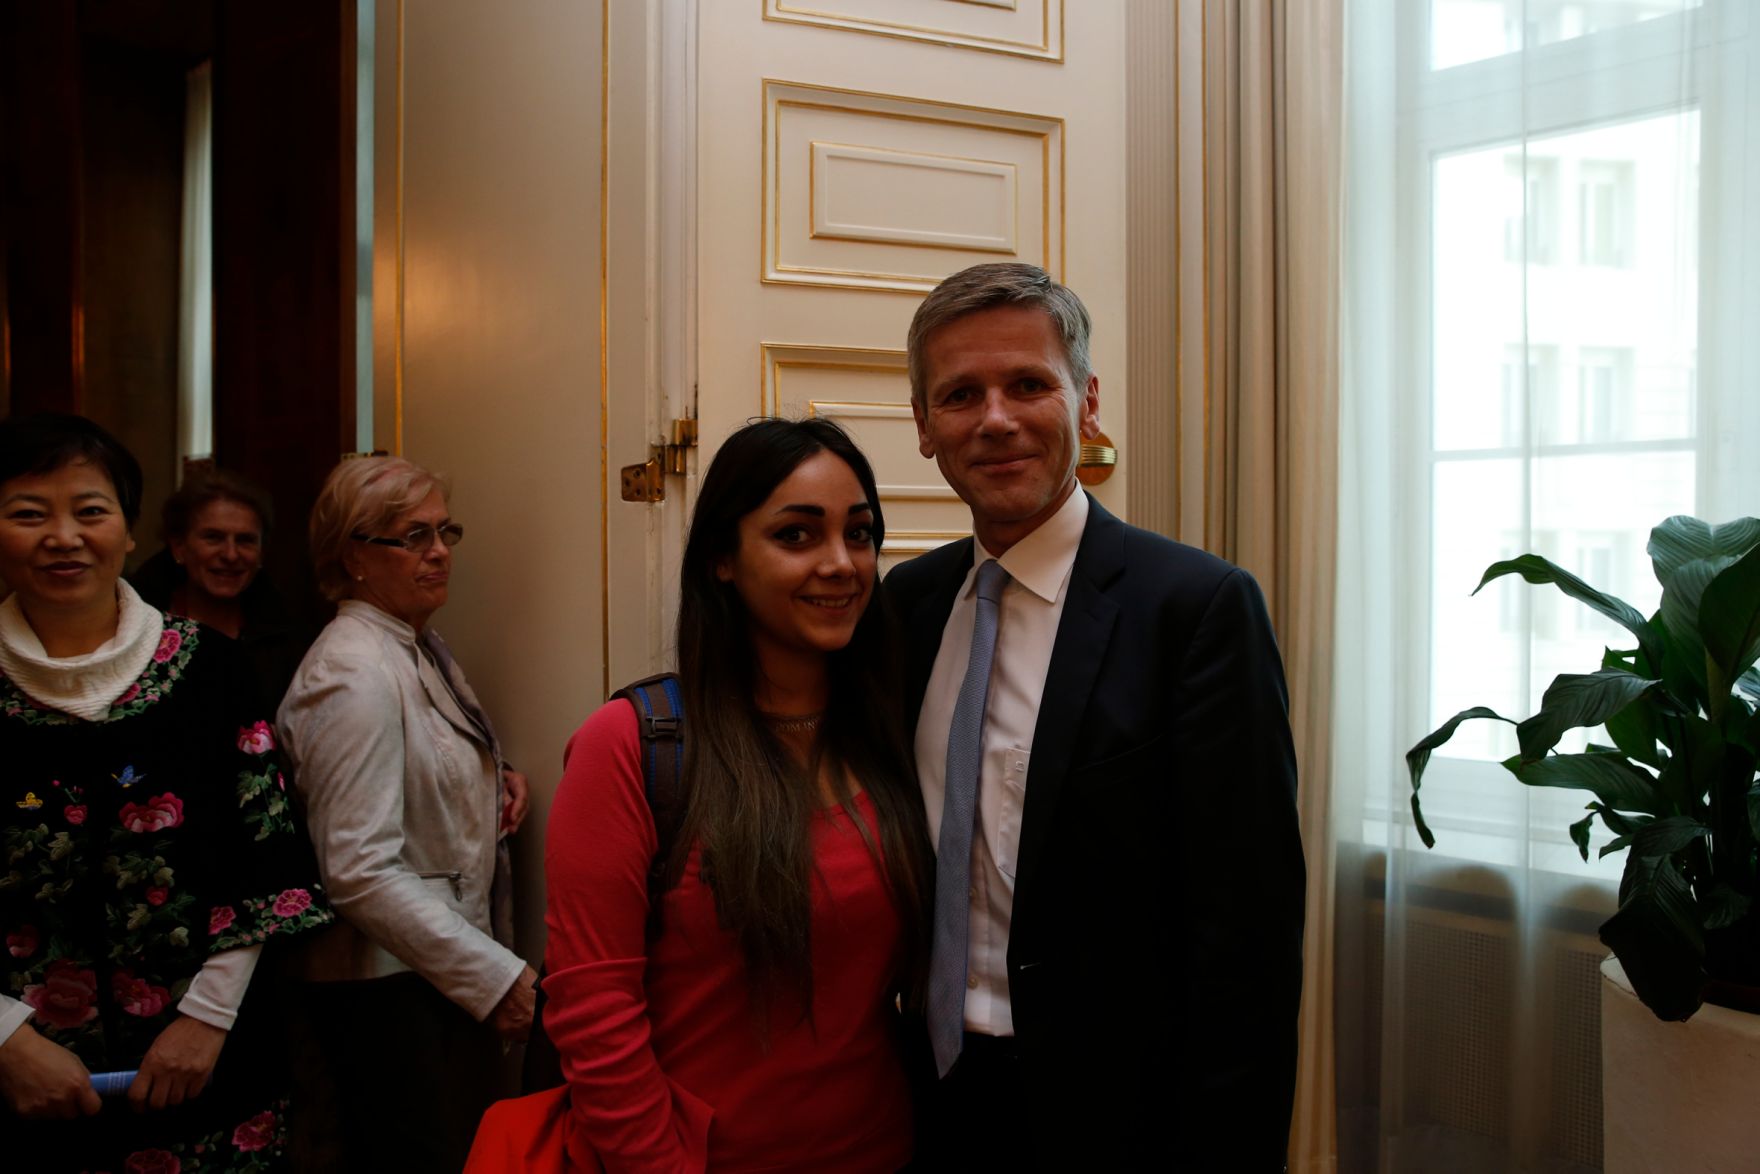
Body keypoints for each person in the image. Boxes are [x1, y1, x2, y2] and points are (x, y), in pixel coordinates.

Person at [886, 263, 1306, 1169]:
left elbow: (1249, 937)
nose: (996, 419)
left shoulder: (1197, 609)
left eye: (1028, 384)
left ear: (1086, 401)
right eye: (960, 395)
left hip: (1118, 1115)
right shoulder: (906, 607)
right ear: (923, 426)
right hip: (925, 1097)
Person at [540, 419, 933, 1171]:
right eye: (796, 535)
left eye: (859, 534)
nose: (841, 564)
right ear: (723, 558)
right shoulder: (630, 744)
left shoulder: (889, 729)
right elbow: (593, 1015)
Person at [0, 412, 334, 1172]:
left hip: (208, 1076)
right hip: (19, 1092)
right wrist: (7, 1041)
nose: (64, 537)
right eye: (29, 514)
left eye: (90, 511)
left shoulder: (213, 671)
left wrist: (206, 1022)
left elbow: (266, 862)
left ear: (127, 532)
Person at [277, 455, 536, 1172]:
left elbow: (410, 768)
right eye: (413, 536)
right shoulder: (352, 671)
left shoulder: (410, 646)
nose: (440, 552)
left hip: (423, 981)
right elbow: (358, 870)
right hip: (389, 998)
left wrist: (488, 782)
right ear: (353, 557)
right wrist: (497, 979)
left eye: (445, 531)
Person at [130, 470, 313, 708]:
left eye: (245, 540)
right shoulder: (134, 630)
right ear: (179, 547)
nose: (231, 555)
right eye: (213, 537)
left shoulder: (290, 641)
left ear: (262, 552)